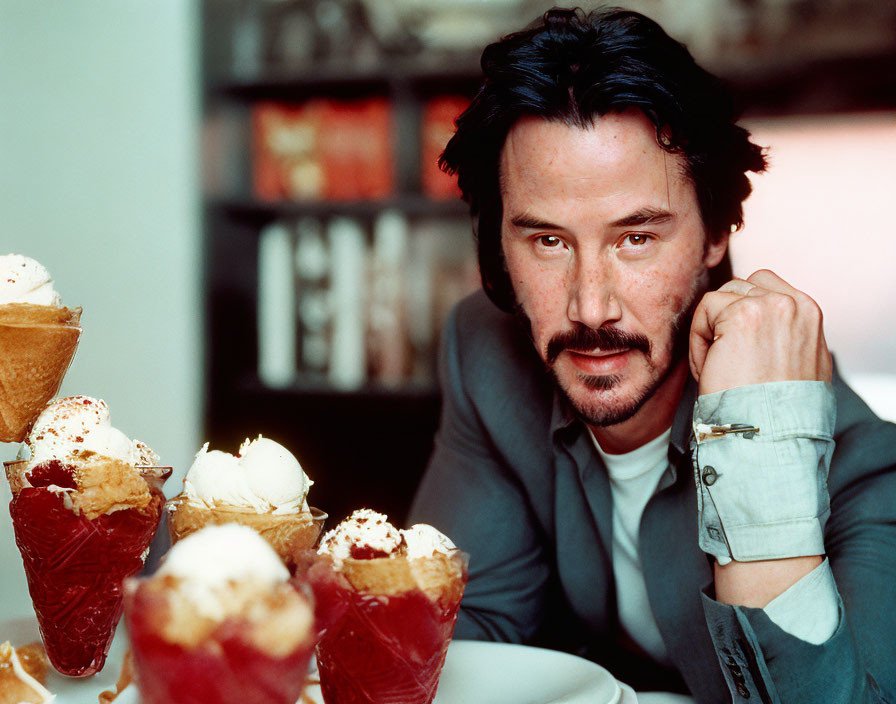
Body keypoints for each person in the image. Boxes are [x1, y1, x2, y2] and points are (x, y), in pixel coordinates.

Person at [408, 7, 896, 703]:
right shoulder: (489, 356)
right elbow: (462, 639)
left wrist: (760, 439)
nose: (590, 308)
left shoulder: (859, 465)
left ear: (715, 236)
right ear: (498, 249)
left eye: (636, 238)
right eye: (547, 241)